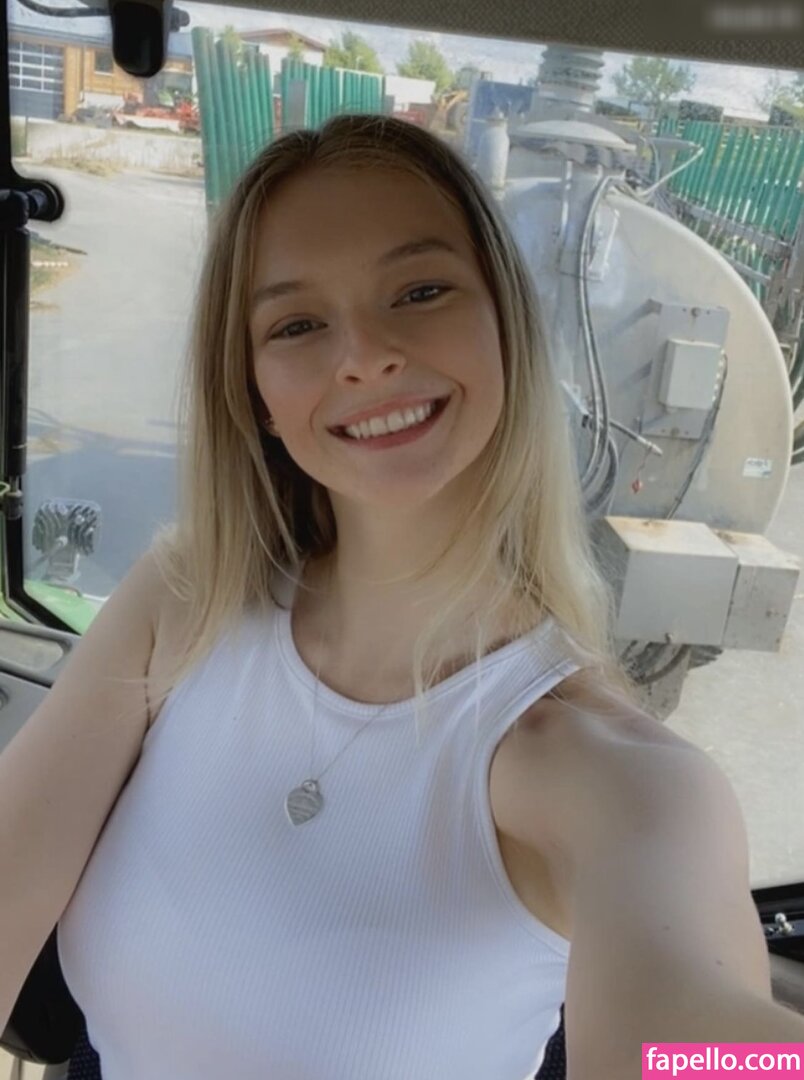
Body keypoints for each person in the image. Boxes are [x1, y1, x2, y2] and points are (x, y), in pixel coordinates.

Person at [3, 114, 801, 1080]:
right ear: (254, 390)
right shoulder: (185, 598)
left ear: (506, 326)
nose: (364, 355)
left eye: (420, 291)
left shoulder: (611, 779)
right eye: (297, 324)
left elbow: (693, 1043)